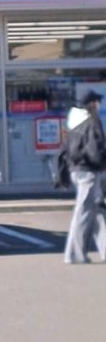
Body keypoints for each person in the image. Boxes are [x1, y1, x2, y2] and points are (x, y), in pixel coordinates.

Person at [62, 89, 106, 264]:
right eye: (96, 101)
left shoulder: (73, 119)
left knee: (97, 212)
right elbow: (96, 149)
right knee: (84, 212)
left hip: (77, 169)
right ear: (91, 104)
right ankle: (73, 254)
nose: (99, 104)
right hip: (89, 171)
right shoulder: (91, 121)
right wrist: (102, 163)